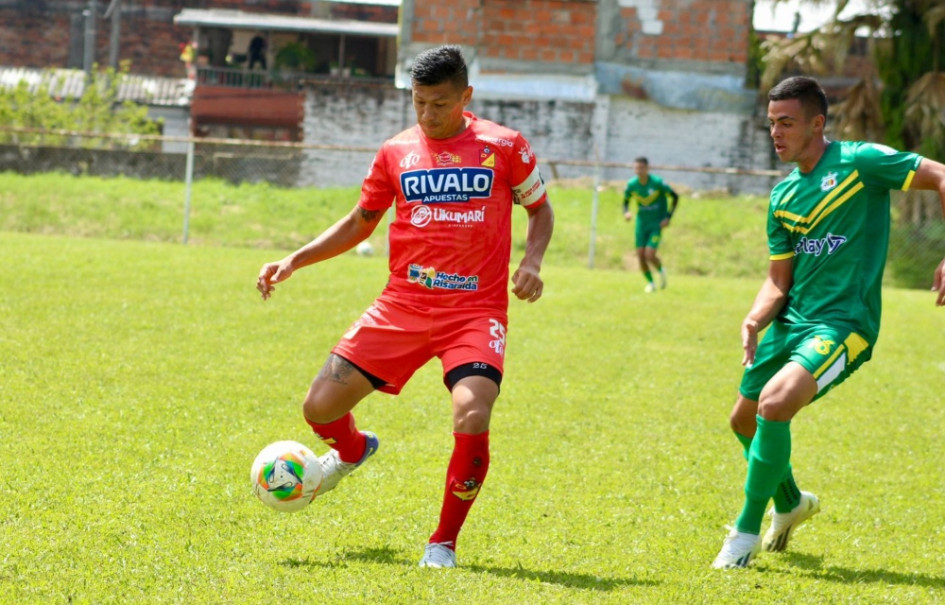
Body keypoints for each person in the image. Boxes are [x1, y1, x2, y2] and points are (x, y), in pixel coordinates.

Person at [256, 45, 554, 569]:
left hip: (474, 312)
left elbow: (540, 210)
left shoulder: (504, 145)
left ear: (466, 96)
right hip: (401, 306)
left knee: (472, 410)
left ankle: (443, 543)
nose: (427, 115)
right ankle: (352, 451)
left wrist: (531, 262)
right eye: (418, 103)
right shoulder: (395, 151)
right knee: (319, 408)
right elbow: (360, 221)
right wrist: (295, 260)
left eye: (440, 104)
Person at [712, 75, 945, 569]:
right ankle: (791, 503)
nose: (775, 133)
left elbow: (943, 175)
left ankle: (744, 535)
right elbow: (778, 281)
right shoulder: (783, 196)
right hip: (791, 322)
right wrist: (754, 319)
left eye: (786, 123)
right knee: (742, 421)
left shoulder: (861, 163)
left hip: (844, 324)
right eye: (771, 123)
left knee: (775, 404)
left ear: (817, 124)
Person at [622, 157, 679, 292]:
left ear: (647, 169)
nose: (639, 171)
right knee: (640, 255)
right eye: (636, 168)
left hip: (656, 224)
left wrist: (668, 217)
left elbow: (675, 197)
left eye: (641, 168)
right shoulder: (632, 184)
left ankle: (661, 270)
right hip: (641, 224)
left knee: (649, 254)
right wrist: (626, 212)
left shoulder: (657, 183)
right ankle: (651, 283)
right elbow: (625, 201)